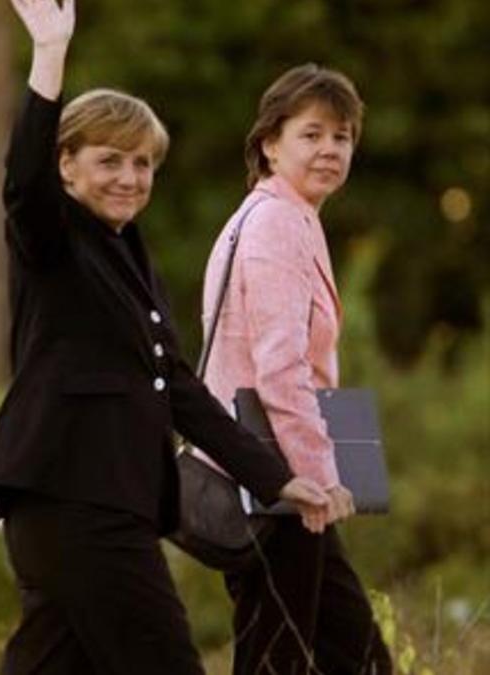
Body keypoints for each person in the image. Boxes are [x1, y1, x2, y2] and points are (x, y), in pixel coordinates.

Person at [0, 2, 336, 673]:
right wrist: (49, 56)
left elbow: (182, 391)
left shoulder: (127, 254)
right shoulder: (50, 243)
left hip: (94, 507)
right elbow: (21, 183)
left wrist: (279, 479)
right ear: (66, 165)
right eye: (109, 160)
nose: (129, 178)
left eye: (143, 164)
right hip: (79, 504)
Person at [200, 63, 392, 675]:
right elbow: (280, 369)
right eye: (311, 134)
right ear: (269, 143)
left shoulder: (287, 218)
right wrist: (320, 478)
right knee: (278, 659)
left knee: (352, 654)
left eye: (342, 136)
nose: (330, 150)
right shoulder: (276, 225)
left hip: (281, 480)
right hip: (278, 483)